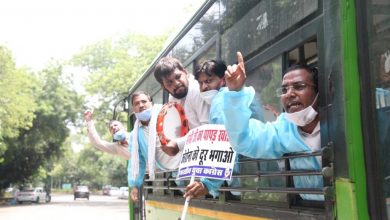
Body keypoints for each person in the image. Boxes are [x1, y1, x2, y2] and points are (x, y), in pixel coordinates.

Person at [222, 52, 323, 201]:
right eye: (284, 90)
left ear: (317, 91)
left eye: (299, 86)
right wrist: (236, 94)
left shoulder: (341, 120)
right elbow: (243, 141)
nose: (289, 94)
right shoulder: (283, 130)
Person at [183, 59, 264, 200]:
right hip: (260, 173)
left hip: (249, 178)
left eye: (209, 81)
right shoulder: (237, 95)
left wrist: (207, 183)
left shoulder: (222, 100)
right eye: (201, 83)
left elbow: (223, 144)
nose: (204, 87)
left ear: (223, 80)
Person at [127, 91, 184, 202]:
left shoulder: (167, 113)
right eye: (137, 103)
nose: (141, 105)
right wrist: (134, 186)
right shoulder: (135, 135)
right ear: (133, 109)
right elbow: (137, 162)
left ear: (151, 103)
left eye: (144, 101)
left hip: (185, 164)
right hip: (171, 172)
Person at [153, 57, 210, 156]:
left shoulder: (197, 89)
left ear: (185, 72)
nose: (176, 83)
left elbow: (208, 130)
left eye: (178, 77)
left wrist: (178, 144)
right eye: (169, 82)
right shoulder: (172, 100)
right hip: (197, 155)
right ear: (164, 87)